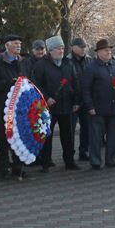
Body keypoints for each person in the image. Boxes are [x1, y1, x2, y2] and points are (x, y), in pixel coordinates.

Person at [0, 34, 33, 177]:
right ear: (7, 46)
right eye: (15, 43)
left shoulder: (24, 62)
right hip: (3, 107)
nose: (19, 46)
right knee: (3, 137)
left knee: (18, 136)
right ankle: (4, 166)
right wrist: (10, 83)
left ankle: (18, 166)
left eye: (20, 43)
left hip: (20, 108)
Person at [34, 35, 80, 171]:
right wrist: (46, 97)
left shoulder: (68, 63)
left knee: (68, 136)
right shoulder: (41, 65)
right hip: (49, 107)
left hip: (66, 106)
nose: (61, 51)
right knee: (46, 136)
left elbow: (75, 82)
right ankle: (46, 162)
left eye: (62, 48)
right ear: (50, 51)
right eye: (58, 49)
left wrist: (76, 101)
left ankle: (69, 162)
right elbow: (36, 84)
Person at [81, 39, 115, 170]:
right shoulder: (91, 67)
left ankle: (111, 159)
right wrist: (90, 106)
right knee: (96, 137)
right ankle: (95, 161)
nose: (109, 52)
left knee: (113, 136)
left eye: (110, 50)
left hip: (114, 108)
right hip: (97, 108)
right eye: (106, 50)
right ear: (99, 52)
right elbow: (85, 89)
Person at [68, 37, 93, 162]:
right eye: (81, 47)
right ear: (73, 47)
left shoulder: (89, 61)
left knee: (87, 128)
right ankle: (69, 155)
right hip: (72, 102)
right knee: (70, 130)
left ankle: (84, 152)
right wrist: (75, 101)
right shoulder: (66, 61)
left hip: (86, 101)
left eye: (85, 47)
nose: (84, 49)